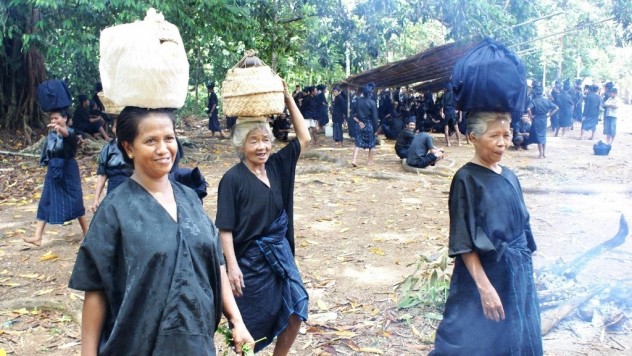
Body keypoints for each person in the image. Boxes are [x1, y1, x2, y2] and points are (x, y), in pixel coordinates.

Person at [68, 106, 254, 355]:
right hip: (137, 344)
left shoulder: (189, 198)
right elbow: (96, 289)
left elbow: (215, 261)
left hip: (195, 343)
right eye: (150, 141)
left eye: (168, 138)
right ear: (129, 148)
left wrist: (237, 320)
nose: (163, 149)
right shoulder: (115, 208)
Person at [431, 112, 542, 355]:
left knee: (516, 334)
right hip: (485, 273)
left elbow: (522, 226)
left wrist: (526, 273)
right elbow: (464, 240)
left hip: (515, 271)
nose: (503, 142)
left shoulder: (509, 175)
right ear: (473, 137)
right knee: (473, 339)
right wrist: (485, 288)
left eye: (507, 134)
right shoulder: (466, 178)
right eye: (494, 136)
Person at [216, 82, 310, 355]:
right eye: (253, 140)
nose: (261, 146)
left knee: (296, 310)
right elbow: (225, 227)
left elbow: (304, 138)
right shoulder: (232, 179)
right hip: (250, 263)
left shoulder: (277, 166)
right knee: (251, 325)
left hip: (280, 255)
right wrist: (232, 267)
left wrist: (289, 99)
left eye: (265, 139)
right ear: (240, 145)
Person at [23, 109, 88, 246]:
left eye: (56, 118)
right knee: (45, 200)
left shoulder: (71, 133)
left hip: (68, 169)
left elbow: (67, 135)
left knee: (75, 201)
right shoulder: (51, 135)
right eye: (51, 119)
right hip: (53, 169)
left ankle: (87, 233)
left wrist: (60, 129)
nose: (53, 121)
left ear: (65, 118)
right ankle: (37, 237)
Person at [91, 118, 133, 212]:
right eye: (117, 126)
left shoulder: (136, 146)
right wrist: (96, 198)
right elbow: (102, 174)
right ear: (113, 128)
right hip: (114, 187)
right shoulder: (108, 148)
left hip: (134, 185)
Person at [350, 84, 378, 167]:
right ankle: (369, 161)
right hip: (369, 125)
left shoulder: (357, 101)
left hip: (359, 124)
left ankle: (354, 160)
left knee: (358, 143)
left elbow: (351, 113)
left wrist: (358, 121)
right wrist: (376, 129)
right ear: (370, 93)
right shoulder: (372, 103)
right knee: (372, 144)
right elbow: (375, 117)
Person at [527, 85, 558, 158]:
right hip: (544, 119)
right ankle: (544, 153)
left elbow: (528, 109)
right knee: (543, 135)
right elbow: (556, 108)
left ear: (535, 93)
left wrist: (531, 116)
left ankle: (540, 153)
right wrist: (549, 115)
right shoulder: (546, 100)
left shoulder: (534, 101)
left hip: (537, 118)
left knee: (539, 136)